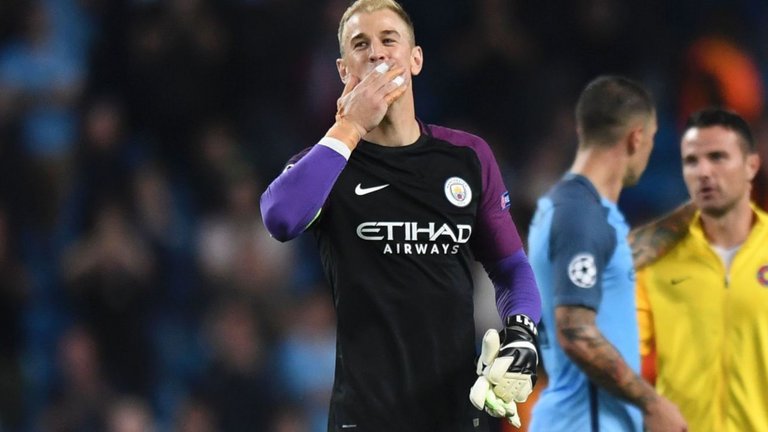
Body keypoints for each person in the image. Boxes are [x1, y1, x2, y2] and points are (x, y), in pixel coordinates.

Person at [259, 0, 541, 431]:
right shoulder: (328, 164)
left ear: (416, 59)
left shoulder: (466, 157)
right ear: (342, 71)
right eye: (360, 44)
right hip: (365, 418)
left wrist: (522, 332)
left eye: (389, 39)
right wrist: (350, 127)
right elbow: (280, 217)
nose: (376, 52)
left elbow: (511, 266)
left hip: (455, 415)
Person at [526, 75, 687, 432]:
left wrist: (699, 212)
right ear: (636, 138)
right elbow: (576, 332)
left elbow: (622, 257)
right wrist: (652, 403)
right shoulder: (580, 215)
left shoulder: (583, 209)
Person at [634, 107, 768, 432]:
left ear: (751, 164)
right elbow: (627, 361)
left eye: (718, 157)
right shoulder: (655, 259)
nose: (704, 172)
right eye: (692, 161)